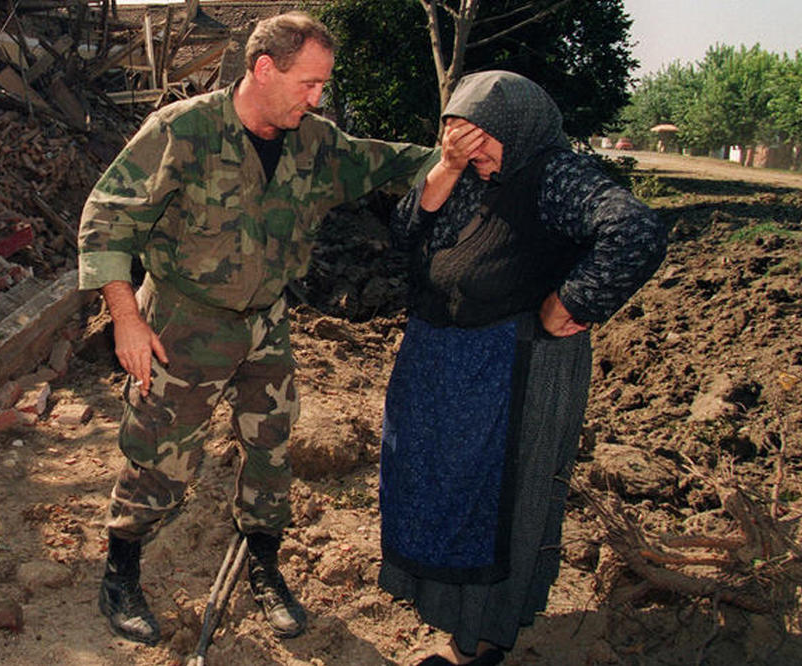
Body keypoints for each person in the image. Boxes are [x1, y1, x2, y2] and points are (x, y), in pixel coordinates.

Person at [77, 11, 474, 646]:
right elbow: (106, 218)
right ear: (264, 70)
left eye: (323, 86)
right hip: (183, 322)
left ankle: (263, 563)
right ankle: (121, 569)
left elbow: (396, 166)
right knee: (161, 456)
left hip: (266, 323)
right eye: (309, 84)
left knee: (271, 449)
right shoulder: (184, 131)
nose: (318, 98)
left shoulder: (316, 142)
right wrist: (125, 317)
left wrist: (454, 158)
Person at [377, 71, 667, 665]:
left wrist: (573, 302)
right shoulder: (467, 173)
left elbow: (635, 229)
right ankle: (454, 625)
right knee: (445, 489)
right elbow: (405, 232)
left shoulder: (553, 174)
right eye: (458, 140)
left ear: (519, 129)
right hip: (447, 367)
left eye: (481, 140)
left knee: (500, 504)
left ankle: (482, 644)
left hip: (513, 372)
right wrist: (449, 166)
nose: (473, 153)